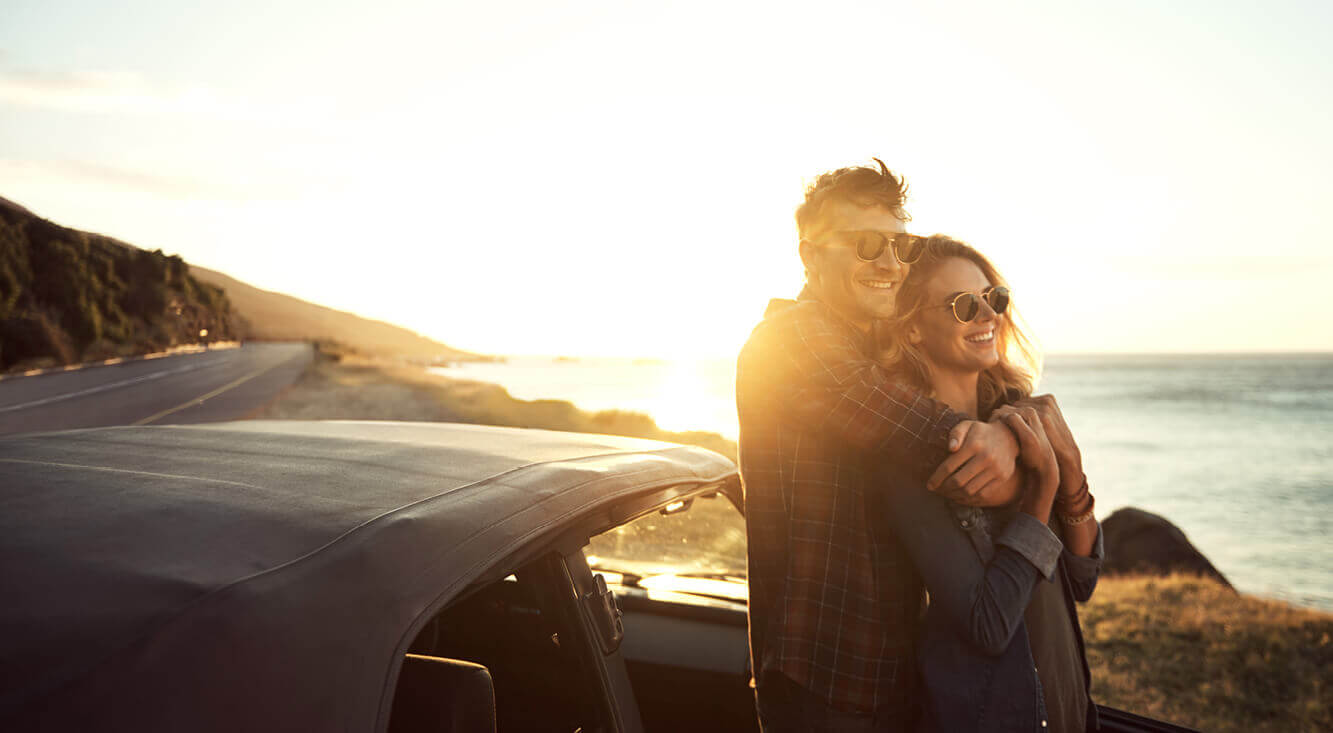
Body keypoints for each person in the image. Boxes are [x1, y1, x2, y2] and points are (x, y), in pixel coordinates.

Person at [736, 161, 1028, 731]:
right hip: (823, 673)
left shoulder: (873, 342)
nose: (891, 265)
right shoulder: (792, 339)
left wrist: (1016, 425)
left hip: (887, 668)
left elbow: (976, 399)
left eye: (902, 245)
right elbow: (934, 438)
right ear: (810, 255)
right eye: (867, 245)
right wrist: (1027, 450)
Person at [874, 234, 1102, 732]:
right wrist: (1041, 487)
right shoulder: (916, 458)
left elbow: (1082, 577)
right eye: (962, 305)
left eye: (993, 298)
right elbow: (988, 624)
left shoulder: (1021, 422)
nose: (987, 316)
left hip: (1069, 709)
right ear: (912, 330)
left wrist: (1071, 470)